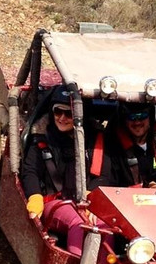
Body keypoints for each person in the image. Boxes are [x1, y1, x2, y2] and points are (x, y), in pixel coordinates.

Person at [20, 95, 110, 255]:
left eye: (68, 114)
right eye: (57, 112)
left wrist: (93, 194)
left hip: (86, 201)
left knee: (103, 224)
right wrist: (35, 196)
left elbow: (104, 175)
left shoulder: (94, 141)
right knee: (78, 223)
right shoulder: (42, 139)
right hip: (55, 201)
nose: (62, 118)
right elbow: (30, 172)